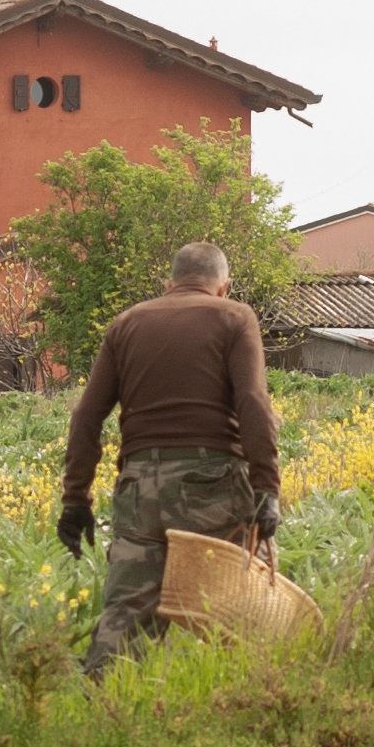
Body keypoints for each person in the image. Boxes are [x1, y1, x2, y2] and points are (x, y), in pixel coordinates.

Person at [59, 241, 282, 674]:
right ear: (224, 286)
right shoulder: (234, 316)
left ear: (169, 284)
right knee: (237, 611)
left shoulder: (126, 324)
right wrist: (267, 488)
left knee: (125, 613)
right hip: (211, 485)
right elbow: (253, 402)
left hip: (139, 487)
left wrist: (75, 500)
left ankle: (102, 711)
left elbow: (87, 414)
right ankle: (245, 701)